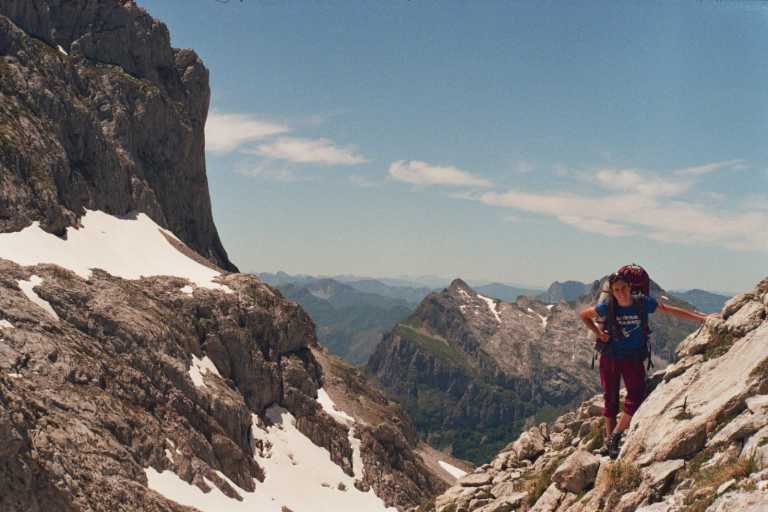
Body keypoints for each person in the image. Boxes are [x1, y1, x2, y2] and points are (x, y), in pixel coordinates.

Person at [579, 271, 710, 459]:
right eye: (616, 290)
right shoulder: (608, 305)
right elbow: (584, 315)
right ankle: (609, 442)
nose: (621, 293)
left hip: (632, 357)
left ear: (630, 287)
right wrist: (599, 334)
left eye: (623, 288)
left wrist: (701, 318)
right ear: (612, 292)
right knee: (611, 399)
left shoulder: (642, 303)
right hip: (611, 357)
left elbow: (670, 310)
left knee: (637, 396)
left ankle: (616, 435)